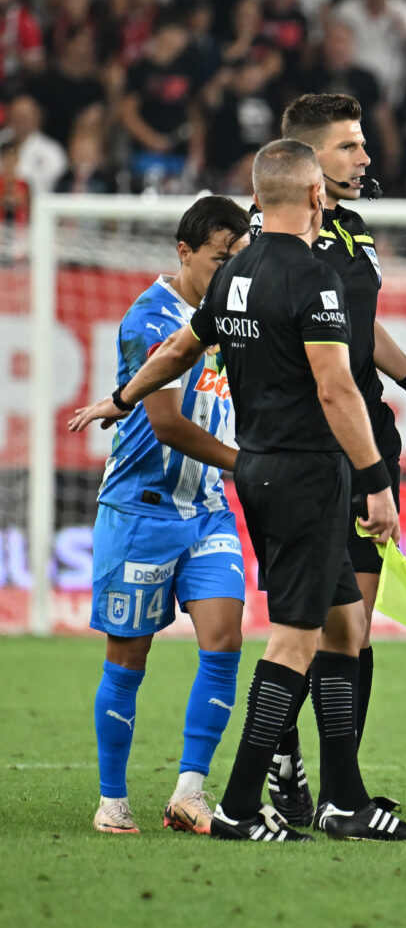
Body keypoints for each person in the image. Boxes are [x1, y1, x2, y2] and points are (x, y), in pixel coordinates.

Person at [71, 139, 406, 841]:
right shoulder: (315, 277)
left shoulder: (235, 272)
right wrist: (376, 482)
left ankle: (346, 800)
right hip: (306, 475)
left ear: (260, 200)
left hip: (257, 471)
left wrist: (122, 395)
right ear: (317, 196)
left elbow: (180, 349)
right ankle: (238, 805)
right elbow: (336, 388)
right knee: (294, 640)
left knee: (344, 628)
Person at [262, 94, 406, 827]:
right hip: (307, 449)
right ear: (310, 160)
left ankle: (340, 789)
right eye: (349, 146)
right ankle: (285, 755)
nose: (366, 157)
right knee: (306, 624)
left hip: (368, 437)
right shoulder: (273, 240)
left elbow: (362, 327)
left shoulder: (352, 230)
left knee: (355, 626)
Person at [86, 196, 250, 835]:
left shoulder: (236, 314)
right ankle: (112, 799)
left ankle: (189, 791)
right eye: (218, 260)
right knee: (128, 660)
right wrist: (249, 466)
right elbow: (168, 423)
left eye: (237, 260)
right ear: (184, 253)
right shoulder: (150, 318)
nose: (228, 272)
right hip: (141, 513)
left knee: (225, 641)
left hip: (207, 510)